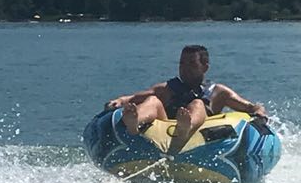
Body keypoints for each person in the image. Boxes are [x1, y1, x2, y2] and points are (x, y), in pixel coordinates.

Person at [106, 44, 267, 154]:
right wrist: (119, 101)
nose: (185, 68)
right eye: (182, 63)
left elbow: (250, 107)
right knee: (153, 101)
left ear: (205, 67)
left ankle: (187, 126)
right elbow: (134, 97)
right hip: (165, 132)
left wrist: (259, 112)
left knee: (198, 103)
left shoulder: (219, 92)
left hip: (201, 136)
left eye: (191, 64)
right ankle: (134, 123)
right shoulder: (167, 88)